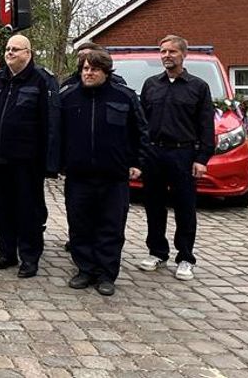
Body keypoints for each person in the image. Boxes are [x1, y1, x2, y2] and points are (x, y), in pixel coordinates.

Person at [60, 50, 148, 296]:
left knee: (110, 226)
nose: (88, 73)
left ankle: (106, 274)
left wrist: (138, 163)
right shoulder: (68, 97)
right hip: (78, 176)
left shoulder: (125, 97)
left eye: (94, 69)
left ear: (106, 72)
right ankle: (85, 269)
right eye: (85, 69)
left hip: (114, 177)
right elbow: (57, 133)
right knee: (80, 225)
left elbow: (141, 133)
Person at [0, 34, 60, 278]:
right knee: (0, 209)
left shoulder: (42, 81)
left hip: (26, 161)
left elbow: (50, 123)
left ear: (28, 53)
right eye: (8, 49)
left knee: (27, 211)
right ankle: (7, 252)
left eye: (16, 49)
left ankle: (30, 257)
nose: (10, 52)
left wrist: (49, 162)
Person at [137, 35, 214, 281]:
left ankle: (186, 257)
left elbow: (206, 127)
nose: (166, 56)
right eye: (163, 52)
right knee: (154, 205)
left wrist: (202, 158)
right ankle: (157, 251)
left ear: (183, 54)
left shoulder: (198, 87)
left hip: (183, 153)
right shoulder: (151, 85)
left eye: (171, 51)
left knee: (184, 207)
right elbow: (141, 123)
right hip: (154, 154)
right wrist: (139, 156)